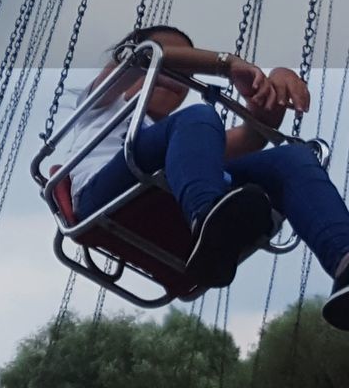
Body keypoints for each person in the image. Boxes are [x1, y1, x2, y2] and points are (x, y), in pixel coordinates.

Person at [62, 24, 349, 330]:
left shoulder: (191, 141)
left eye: (183, 67)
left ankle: (344, 261)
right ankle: (209, 221)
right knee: (199, 116)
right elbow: (137, 59)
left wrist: (274, 85)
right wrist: (225, 63)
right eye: (171, 61)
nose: (171, 72)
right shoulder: (102, 104)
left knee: (292, 157)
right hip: (104, 194)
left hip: (173, 190)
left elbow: (252, 138)